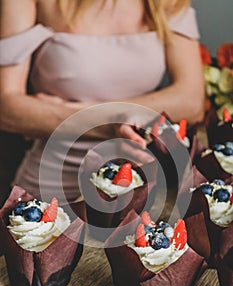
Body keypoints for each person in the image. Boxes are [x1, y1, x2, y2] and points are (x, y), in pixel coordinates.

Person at [0, 0, 204, 203]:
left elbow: (191, 102)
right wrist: (109, 123)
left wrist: (81, 113)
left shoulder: (167, 3)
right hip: (49, 196)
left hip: (140, 193)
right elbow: (7, 108)